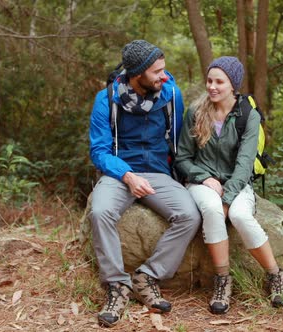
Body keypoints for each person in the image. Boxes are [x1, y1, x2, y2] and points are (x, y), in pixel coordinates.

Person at [88, 40, 202, 327]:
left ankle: (147, 276)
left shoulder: (171, 95)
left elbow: (179, 141)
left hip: (157, 173)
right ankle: (117, 286)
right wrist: (126, 175)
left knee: (189, 215)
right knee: (100, 212)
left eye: (163, 70)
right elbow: (99, 151)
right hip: (119, 173)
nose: (163, 76)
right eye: (156, 72)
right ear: (137, 74)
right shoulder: (106, 99)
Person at [175, 56, 283, 315]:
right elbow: (183, 158)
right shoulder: (195, 112)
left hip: (236, 183)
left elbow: (245, 162)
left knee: (238, 214)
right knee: (212, 211)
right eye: (209, 80)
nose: (212, 86)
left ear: (233, 85)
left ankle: (275, 275)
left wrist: (228, 196)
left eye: (219, 81)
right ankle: (222, 281)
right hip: (201, 181)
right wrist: (203, 178)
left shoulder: (248, 115)